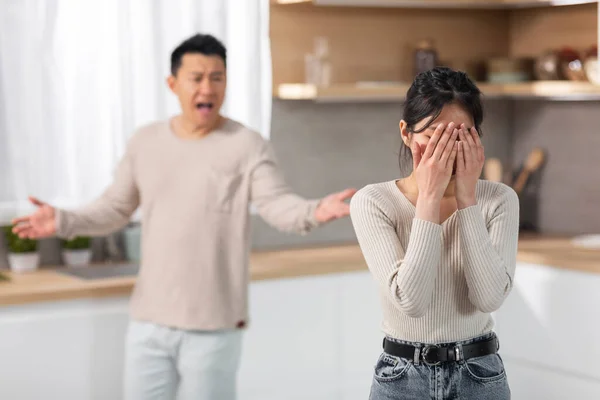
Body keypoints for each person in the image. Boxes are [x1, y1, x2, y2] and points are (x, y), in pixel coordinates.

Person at [12, 33, 356, 400]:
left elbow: (276, 204)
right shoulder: (146, 142)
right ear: (173, 83)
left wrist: (314, 211)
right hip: (149, 322)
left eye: (217, 77)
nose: (207, 87)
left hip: (214, 324)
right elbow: (114, 208)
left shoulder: (247, 144)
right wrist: (62, 221)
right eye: (196, 78)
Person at [349, 66, 518, 400]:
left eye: (460, 138)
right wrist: (429, 198)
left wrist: (467, 200)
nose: (446, 154)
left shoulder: (498, 200)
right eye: (434, 139)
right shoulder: (374, 202)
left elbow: (489, 298)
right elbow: (410, 301)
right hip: (401, 377)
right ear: (406, 134)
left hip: (479, 374)